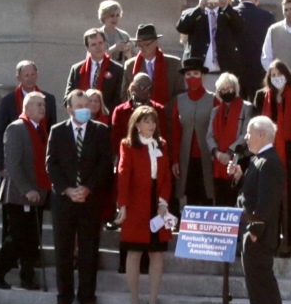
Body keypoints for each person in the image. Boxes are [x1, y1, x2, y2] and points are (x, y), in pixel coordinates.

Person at [46, 90, 111, 304]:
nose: (85, 108)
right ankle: (63, 300)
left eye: (87, 104)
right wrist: (67, 189)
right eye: (79, 104)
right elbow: (51, 164)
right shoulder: (57, 131)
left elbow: (105, 164)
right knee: (63, 251)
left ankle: (87, 300)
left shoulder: (101, 131)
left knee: (89, 251)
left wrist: (88, 188)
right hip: (64, 201)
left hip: (90, 201)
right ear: (69, 108)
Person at [229, 117, 288, 304]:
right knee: (256, 289)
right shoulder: (258, 160)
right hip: (250, 233)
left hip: (258, 236)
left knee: (264, 289)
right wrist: (239, 177)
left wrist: (255, 231)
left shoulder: (270, 161)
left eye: (249, 133)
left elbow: (267, 202)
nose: (245, 137)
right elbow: (250, 194)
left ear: (261, 135)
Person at [0, 92, 51, 291]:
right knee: (18, 237)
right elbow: (12, 164)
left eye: (43, 105)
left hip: (37, 194)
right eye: (38, 105)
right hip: (19, 194)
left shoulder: (40, 129)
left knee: (31, 240)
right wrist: (27, 189)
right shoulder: (17, 128)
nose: (42, 108)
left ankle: (27, 277)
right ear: (27, 108)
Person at [114, 106, 172, 304]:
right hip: (136, 204)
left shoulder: (162, 145)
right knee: (135, 252)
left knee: (157, 254)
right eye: (147, 121)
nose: (151, 125)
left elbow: (166, 176)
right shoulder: (127, 145)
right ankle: (135, 303)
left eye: (153, 122)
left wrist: (164, 202)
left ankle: (153, 303)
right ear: (137, 124)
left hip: (157, 204)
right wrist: (123, 205)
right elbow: (123, 174)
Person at [255, 61, 291, 257]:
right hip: (267, 153)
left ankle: (289, 240)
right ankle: (270, 240)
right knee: (269, 199)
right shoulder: (261, 97)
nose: (276, 77)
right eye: (272, 74)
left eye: (280, 73)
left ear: (287, 75)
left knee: (290, 200)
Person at [108, 73, 168, 242]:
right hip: (128, 164)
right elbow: (116, 138)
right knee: (130, 225)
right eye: (142, 87)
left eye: (150, 88)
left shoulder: (159, 110)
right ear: (132, 87)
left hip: (152, 167)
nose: (147, 92)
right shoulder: (120, 111)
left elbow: (162, 137)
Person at [176, 0, 245, 87]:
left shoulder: (228, 13)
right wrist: (200, 8)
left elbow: (240, 27)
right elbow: (182, 27)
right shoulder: (193, 13)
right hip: (199, 73)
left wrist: (226, 7)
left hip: (223, 73)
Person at [170, 58, 216, 208]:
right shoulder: (180, 100)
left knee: (207, 192)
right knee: (188, 194)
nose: (192, 78)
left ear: (202, 76)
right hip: (186, 159)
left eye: (196, 73)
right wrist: (175, 159)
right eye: (188, 74)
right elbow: (176, 131)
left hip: (208, 157)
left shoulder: (213, 99)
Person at [206, 73, 254, 207]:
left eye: (229, 89)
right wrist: (217, 153)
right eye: (223, 90)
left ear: (235, 88)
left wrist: (229, 153)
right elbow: (209, 136)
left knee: (237, 202)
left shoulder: (247, 107)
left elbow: (246, 133)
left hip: (240, 160)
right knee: (221, 202)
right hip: (219, 163)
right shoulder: (215, 111)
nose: (227, 92)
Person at [121, 24, 184, 106]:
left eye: (146, 44)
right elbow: (124, 95)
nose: (142, 48)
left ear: (156, 42)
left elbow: (180, 93)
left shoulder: (174, 64)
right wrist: (139, 109)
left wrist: (162, 110)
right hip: (140, 114)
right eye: (139, 45)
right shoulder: (130, 65)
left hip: (166, 114)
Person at [65, 28, 125, 116]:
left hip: (106, 120)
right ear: (87, 48)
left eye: (100, 43)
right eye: (93, 44)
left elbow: (119, 99)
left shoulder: (117, 70)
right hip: (80, 119)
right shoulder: (77, 69)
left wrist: (99, 110)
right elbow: (67, 98)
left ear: (105, 44)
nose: (98, 47)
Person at [236, 0, 275, 100]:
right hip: (258, 69)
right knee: (257, 104)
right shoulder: (267, 16)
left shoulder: (231, 14)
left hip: (236, 68)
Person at [261, 0, 291, 76]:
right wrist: (275, 74)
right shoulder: (273, 30)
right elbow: (266, 57)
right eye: (286, 10)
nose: (288, 12)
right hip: (278, 80)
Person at [98, 0, 136, 64]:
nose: (115, 18)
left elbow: (134, 61)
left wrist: (127, 52)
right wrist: (114, 48)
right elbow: (94, 58)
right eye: (112, 16)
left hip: (120, 72)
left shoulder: (124, 36)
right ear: (104, 17)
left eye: (117, 15)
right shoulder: (97, 36)